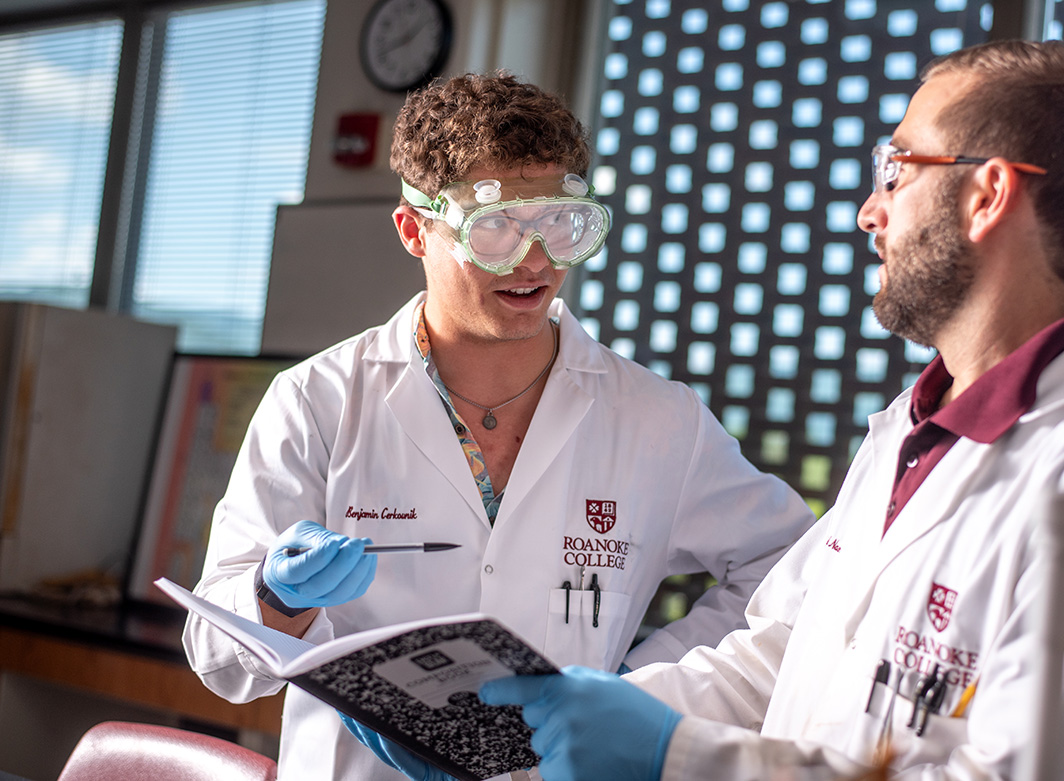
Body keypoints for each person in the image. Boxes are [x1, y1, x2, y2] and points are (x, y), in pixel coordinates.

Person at [461, 39, 1064, 780]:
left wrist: (675, 754)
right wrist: (545, 728)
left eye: (896, 169)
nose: (870, 211)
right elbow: (776, 651)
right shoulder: (915, 426)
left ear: (990, 193)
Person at [182, 72, 815, 781]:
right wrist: (273, 598)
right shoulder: (318, 401)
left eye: (559, 225)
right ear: (413, 230)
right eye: (495, 230)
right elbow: (217, 657)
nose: (535, 261)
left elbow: (790, 568)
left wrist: (641, 686)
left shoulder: (658, 418)